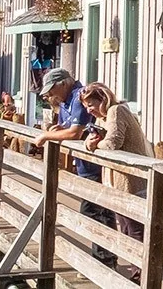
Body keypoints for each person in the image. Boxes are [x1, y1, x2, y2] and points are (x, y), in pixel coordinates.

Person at [34, 68, 118, 267]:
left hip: (96, 167)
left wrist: (45, 136)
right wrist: (58, 129)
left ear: (63, 83)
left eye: (52, 89)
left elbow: (75, 132)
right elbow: (68, 128)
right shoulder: (65, 102)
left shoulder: (79, 96)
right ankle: (102, 258)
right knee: (93, 211)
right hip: (83, 167)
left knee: (96, 212)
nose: (50, 95)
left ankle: (105, 260)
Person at [81, 82, 152, 280]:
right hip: (118, 183)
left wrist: (94, 145)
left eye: (91, 104)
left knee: (135, 230)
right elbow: (97, 139)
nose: (89, 109)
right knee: (126, 228)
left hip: (132, 182)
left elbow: (113, 143)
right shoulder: (104, 117)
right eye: (86, 106)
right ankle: (137, 273)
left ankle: (141, 276)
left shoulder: (116, 111)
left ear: (102, 99)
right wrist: (90, 142)